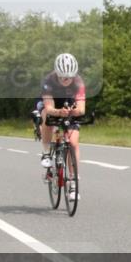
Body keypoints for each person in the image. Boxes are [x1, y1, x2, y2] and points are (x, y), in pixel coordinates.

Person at [39, 53, 86, 200]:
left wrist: (73, 111)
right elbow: (48, 106)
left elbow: (81, 108)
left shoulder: (78, 82)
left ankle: (73, 182)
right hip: (53, 105)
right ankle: (46, 152)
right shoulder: (48, 81)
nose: (66, 80)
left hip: (69, 104)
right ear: (57, 74)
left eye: (70, 77)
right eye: (63, 77)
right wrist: (58, 112)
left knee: (73, 143)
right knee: (46, 116)